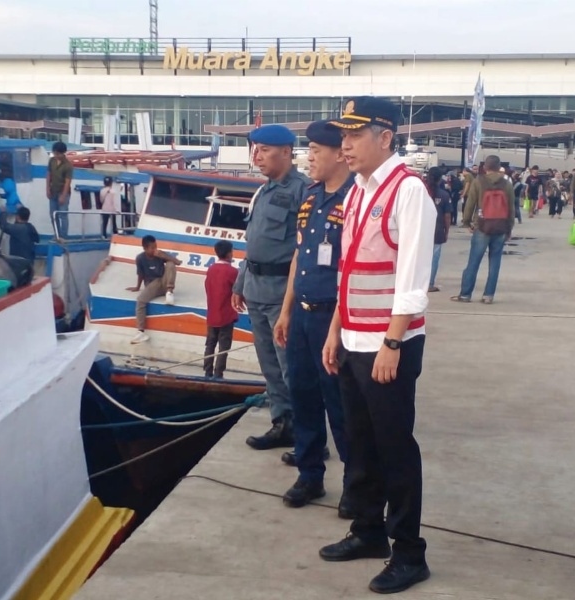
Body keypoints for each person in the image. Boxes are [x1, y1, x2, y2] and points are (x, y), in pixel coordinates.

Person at [320, 96, 434, 595]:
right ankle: (367, 531)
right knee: (359, 444)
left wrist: (392, 342)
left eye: (354, 135)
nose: (345, 145)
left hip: (388, 343)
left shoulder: (408, 191)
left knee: (395, 448)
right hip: (352, 339)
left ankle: (409, 552)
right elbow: (348, 269)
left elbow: (412, 278)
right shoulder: (360, 190)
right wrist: (335, 331)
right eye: (342, 135)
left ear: (385, 138)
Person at [271, 119, 354, 513]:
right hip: (302, 317)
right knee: (303, 397)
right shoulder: (310, 197)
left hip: (332, 319)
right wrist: (286, 311)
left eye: (316, 151)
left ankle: (357, 484)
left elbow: (350, 271)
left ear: (340, 154)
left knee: (339, 405)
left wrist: (336, 329)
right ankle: (310, 475)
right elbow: (299, 258)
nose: (310, 158)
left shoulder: (355, 201)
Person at [231, 124, 311, 450]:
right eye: (255, 149)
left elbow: (303, 249)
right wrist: (239, 283)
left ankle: (308, 436)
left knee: (292, 367)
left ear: (287, 152)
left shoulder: (302, 190)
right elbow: (254, 245)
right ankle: (283, 423)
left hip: (282, 293)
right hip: (256, 289)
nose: (257, 156)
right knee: (269, 367)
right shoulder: (263, 190)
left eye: (264, 150)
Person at [451, 155, 515, 304]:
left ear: (485, 167)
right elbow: (511, 208)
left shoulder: (478, 181)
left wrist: (467, 222)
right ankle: (488, 295)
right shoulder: (507, 184)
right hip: (500, 226)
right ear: (499, 167)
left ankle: (466, 294)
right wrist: (509, 228)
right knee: (495, 262)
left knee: (474, 260)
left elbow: (470, 203)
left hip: (482, 226)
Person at [126, 234, 181, 344]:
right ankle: (140, 332)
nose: (155, 249)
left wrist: (164, 256)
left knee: (170, 264)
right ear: (145, 248)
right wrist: (137, 287)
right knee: (141, 300)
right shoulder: (140, 258)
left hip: (164, 281)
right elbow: (140, 274)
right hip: (152, 284)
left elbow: (177, 262)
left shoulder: (160, 254)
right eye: (152, 248)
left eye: (156, 246)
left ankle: (169, 293)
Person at [203, 240, 238, 379]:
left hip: (212, 314)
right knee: (223, 347)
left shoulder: (211, 269)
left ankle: (207, 372)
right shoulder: (233, 271)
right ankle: (218, 374)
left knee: (210, 344)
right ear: (229, 253)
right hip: (226, 315)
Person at [426, 167, 452, 292]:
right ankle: (430, 284)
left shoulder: (421, 192)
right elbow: (447, 216)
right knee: (434, 258)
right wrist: (446, 231)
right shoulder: (444, 195)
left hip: (420, 231)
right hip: (437, 229)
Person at [47, 141, 72, 239]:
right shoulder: (51, 161)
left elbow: (67, 182)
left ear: (63, 153)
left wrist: (63, 195)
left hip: (63, 192)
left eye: (58, 153)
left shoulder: (68, 165)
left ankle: (64, 236)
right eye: (55, 153)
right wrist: (47, 189)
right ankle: (57, 234)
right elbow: (48, 175)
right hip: (53, 191)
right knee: (53, 215)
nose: (56, 155)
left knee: (63, 214)